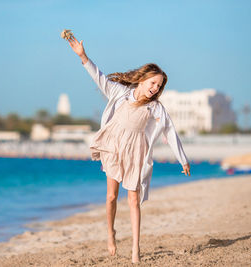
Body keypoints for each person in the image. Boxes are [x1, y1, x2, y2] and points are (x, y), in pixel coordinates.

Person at [66, 34, 191, 264]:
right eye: (153, 83)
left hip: (136, 152)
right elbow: (99, 78)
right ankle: (111, 235)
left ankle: (135, 248)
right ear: (142, 80)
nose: (155, 88)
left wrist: (182, 159)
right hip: (113, 147)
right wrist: (83, 56)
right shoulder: (120, 93)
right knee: (111, 196)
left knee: (134, 200)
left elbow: (169, 130)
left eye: (159, 86)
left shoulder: (155, 107)